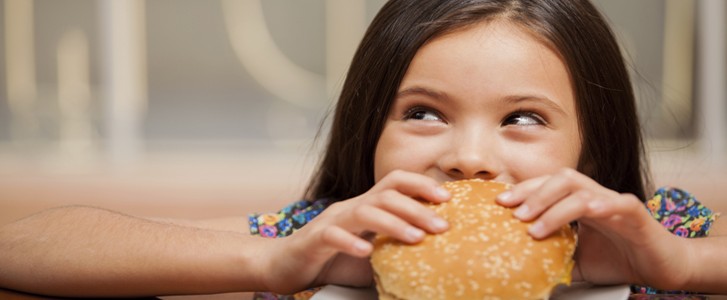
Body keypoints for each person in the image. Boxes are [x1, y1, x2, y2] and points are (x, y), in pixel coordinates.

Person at [0, 0, 723, 297]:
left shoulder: (648, 239)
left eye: (523, 119)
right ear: (366, 132)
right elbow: (24, 246)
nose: (468, 157)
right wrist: (272, 259)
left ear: (591, 152)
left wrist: (681, 262)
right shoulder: (332, 238)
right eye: (422, 112)